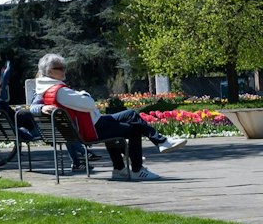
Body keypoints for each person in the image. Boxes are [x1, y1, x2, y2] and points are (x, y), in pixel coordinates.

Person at [34, 54, 182, 180]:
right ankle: (137, 170)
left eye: (63, 67)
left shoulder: (47, 90)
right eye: (60, 68)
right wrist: (84, 94)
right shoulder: (60, 91)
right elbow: (89, 104)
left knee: (130, 114)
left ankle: (158, 143)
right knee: (134, 129)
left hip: (90, 125)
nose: (64, 71)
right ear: (49, 72)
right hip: (92, 128)